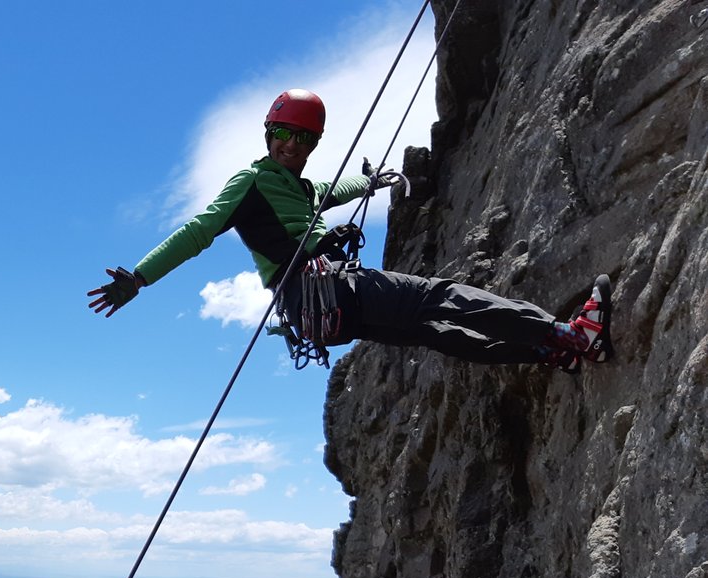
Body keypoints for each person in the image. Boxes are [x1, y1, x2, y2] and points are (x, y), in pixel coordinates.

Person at [87, 88, 613, 372]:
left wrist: (368, 182)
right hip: (327, 289)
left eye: (304, 137)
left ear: (312, 143)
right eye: (284, 134)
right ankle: (568, 334)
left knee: (436, 333)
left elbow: (327, 193)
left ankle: (547, 352)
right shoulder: (251, 182)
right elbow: (199, 230)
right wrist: (138, 277)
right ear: (268, 134)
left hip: (321, 315)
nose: (292, 145)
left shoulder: (300, 189)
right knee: (440, 299)